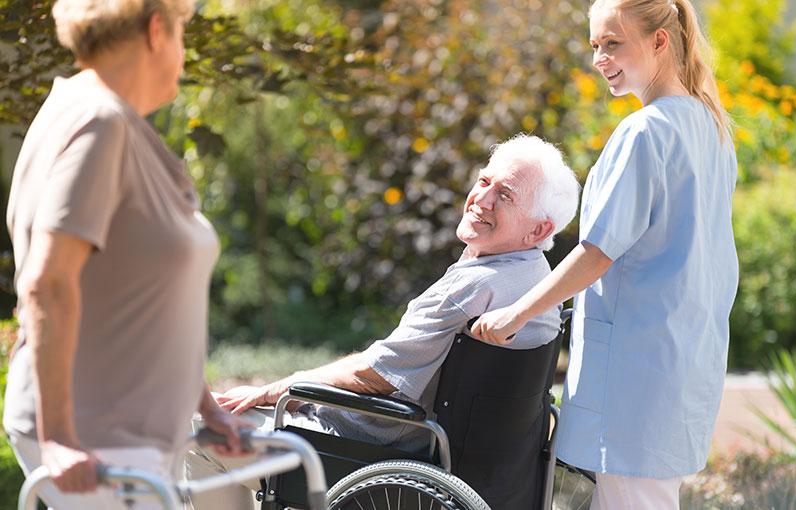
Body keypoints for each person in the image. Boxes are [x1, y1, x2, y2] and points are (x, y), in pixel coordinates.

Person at [184, 133, 581, 509]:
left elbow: (376, 377)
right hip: (487, 472)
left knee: (203, 431)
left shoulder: (472, 288)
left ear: (539, 229)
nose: (482, 199)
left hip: (382, 458)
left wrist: (285, 387)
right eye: (484, 181)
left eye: (505, 195)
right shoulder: (537, 282)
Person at [470, 0, 738, 508]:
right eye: (594, 45)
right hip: (684, 358)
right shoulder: (711, 127)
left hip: (640, 371)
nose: (599, 58)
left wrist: (515, 313)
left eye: (612, 43)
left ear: (660, 41)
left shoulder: (646, 132)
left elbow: (598, 252)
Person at [3, 1, 251, 508]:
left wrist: (206, 406)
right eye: (182, 31)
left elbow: (141, 291)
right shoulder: (101, 121)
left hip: (125, 430)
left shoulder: (91, 113)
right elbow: (47, 281)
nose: (182, 53)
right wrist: (60, 437)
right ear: (156, 30)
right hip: (100, 436)